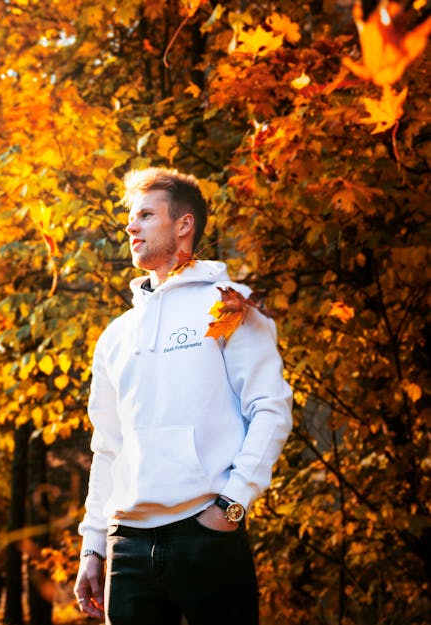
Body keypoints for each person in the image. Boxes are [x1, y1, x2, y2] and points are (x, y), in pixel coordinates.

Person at [74, 167, 293, 625]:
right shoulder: (116, 335)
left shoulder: (230, 304)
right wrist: (93, 545)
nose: (131, 226)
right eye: (131, 218)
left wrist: (232, 506)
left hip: (207, 536)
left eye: (146, 215)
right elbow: (107, 447)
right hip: (128, 547)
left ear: (183, 225)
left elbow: (271, 409)